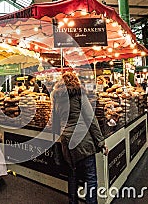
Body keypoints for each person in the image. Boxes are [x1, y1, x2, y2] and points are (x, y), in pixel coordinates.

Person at [51, 72, 108, 204]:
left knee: (72, 175)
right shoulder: (79, 94)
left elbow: (54, 120)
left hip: (66, 140)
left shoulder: (56, 97)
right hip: (83, 140)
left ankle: (73, 201)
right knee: (91, 177)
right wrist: (101, 142)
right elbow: (90, 118)